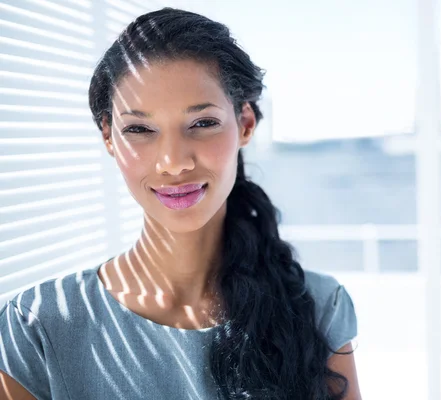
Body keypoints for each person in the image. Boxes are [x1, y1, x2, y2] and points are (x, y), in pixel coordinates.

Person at [0, 7, 360, 400]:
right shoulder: (36, 328)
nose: (173, 162)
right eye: (139, 129)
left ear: (245, 123)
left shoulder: (319, 308)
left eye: (202, 123)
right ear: (108, 137)